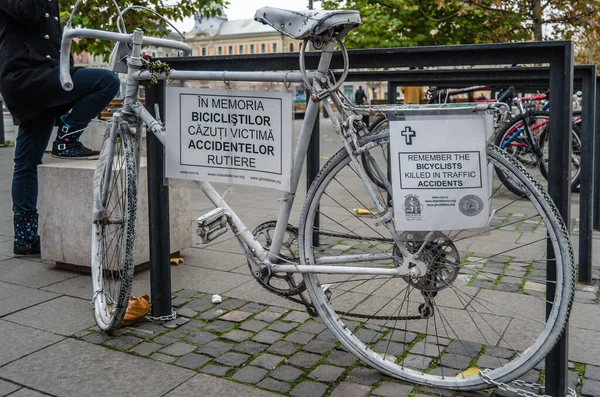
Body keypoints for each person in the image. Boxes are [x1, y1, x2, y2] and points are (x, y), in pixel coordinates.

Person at [0, 1, 121, 255]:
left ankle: (24, 238)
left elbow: (53, 38)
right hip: (27, 78)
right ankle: (67, 138)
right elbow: (28, 13)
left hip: (47, 76)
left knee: (26, 161)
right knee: (106, 81)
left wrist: (67, 65)